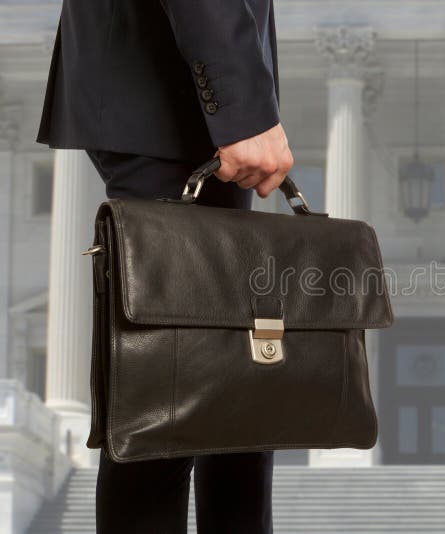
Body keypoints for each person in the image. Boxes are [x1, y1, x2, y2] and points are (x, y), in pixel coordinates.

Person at [35, 1, 292, 532]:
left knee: (227, 389)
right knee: (167, 396)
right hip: (165, 86)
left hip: (163, 89)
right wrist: (242, 107)